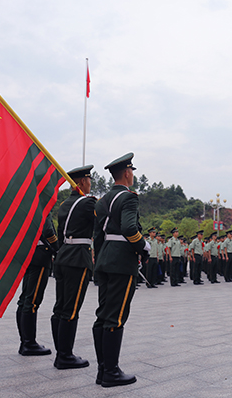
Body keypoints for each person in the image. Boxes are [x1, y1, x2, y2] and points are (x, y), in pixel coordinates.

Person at [93, 152, 147, 388]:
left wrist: (98, 261)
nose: (132, 175)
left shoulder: (102, 200)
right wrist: (143, 246)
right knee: (116, 316)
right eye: (132, 171)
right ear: (127, 173)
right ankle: (111, 372)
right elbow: (128, 227)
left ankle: (102, 368)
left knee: (103, 314)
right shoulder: (129, 198)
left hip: (105, 258)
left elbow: (98, 235)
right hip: (121, 261)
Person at [51, 165, 96, 369]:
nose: (90, 183)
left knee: (60, 308)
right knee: (71, 309)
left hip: (62, 257)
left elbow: (60, 235)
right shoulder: (87, 203)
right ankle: (65, 356)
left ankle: (61, 352)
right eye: (88, 180)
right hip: (77, 259)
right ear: (81, 182)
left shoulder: (65, 204)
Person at [16, 213, 58, 356]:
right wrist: (56, 247)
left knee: (25, 299)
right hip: (40, 254)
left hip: (29, 253)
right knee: (32, 301)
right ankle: (29, 343)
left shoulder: (28, 204)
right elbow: (48, 231)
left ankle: (25, 342)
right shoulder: (41, 204)